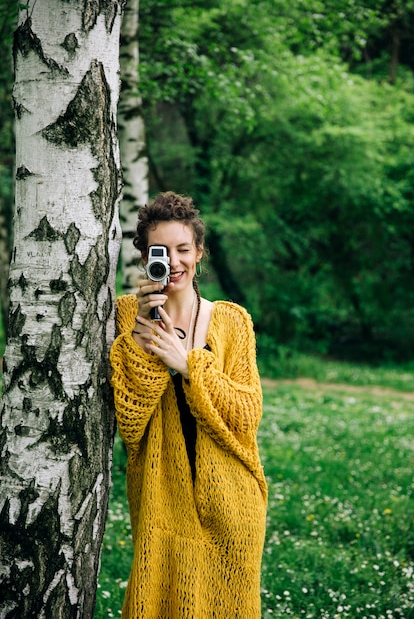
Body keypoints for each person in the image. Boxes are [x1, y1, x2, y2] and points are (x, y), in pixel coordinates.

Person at [109, 191, 268, 618]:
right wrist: (143, 342)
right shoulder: (125, 316)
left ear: (199, 252)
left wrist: (189, 365)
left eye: (184, 249)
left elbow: (246, 414)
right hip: (161, 500)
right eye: (162, 250)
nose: (174, 262)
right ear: (144, 255)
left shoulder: (232, 321)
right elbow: (130, 419)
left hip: (234, 502)